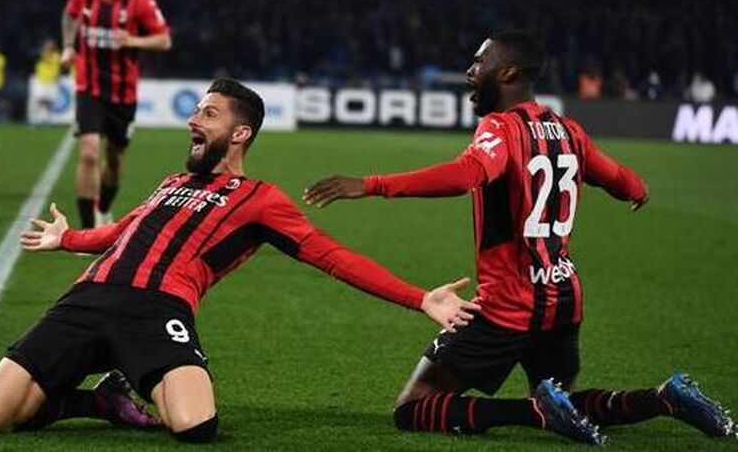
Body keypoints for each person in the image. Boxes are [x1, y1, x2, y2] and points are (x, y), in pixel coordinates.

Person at [0, 78, 481, 443]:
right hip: (86, 299)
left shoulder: (261, 199)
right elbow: (122, 231)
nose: (193, 120)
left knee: (195, 425)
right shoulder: (171, 182)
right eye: (197, 110)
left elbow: (332, 257)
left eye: (209, 114)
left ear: (240, 134)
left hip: (158, 310)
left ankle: (125, 386)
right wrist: (69, 239)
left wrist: (419, 298)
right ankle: (98, 400)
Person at [304, 31, 736, 445]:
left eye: (479, 62)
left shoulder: (501, 128)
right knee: (564, 401)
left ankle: (536, 413)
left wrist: (373, 184)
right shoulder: (570, 131)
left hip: (507, 305)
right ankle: (664, 399)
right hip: (563, 301)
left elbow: (467, 174)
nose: (470, 70)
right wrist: (636, 189)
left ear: (509, 72)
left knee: (413, 409)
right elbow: (622, 180)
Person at [61, 0, 171, 228]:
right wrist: (68, 47)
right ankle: (87, 230)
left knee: (115, 158)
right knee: (89, 152)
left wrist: (133, 41)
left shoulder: (141, 3)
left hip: (123, 95)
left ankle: (104, 207)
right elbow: (69, 17)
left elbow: (164, 40)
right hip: (89, 89)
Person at [32, 38, 61, 121]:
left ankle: (48, 119)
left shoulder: (56, 56)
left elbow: (52, 61)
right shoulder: (39, 55)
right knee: (38, 100)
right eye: (48, 45)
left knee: (50, 101)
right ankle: (36, 118)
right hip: (41, 80)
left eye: (51, 45)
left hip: (51, 81)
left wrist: (45, 55)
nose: (49, 47)